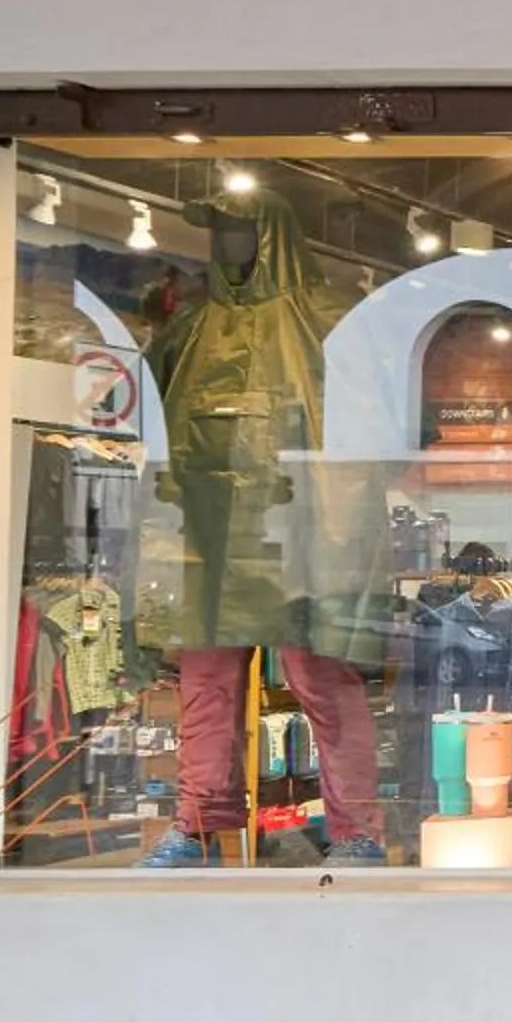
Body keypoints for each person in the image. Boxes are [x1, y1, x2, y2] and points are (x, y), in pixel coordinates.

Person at [138, 188, 395, 867]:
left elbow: (362, 448)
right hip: (212, 539)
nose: (228, 242)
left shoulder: (328, 322)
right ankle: (195, 828)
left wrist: (341, 540)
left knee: (325, 686)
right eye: (220, 229)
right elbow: (154, 446)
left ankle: (357, 831)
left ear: (275, 233)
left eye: (240, 228)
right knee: (206, 690)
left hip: (298, 536)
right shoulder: (189, 330)